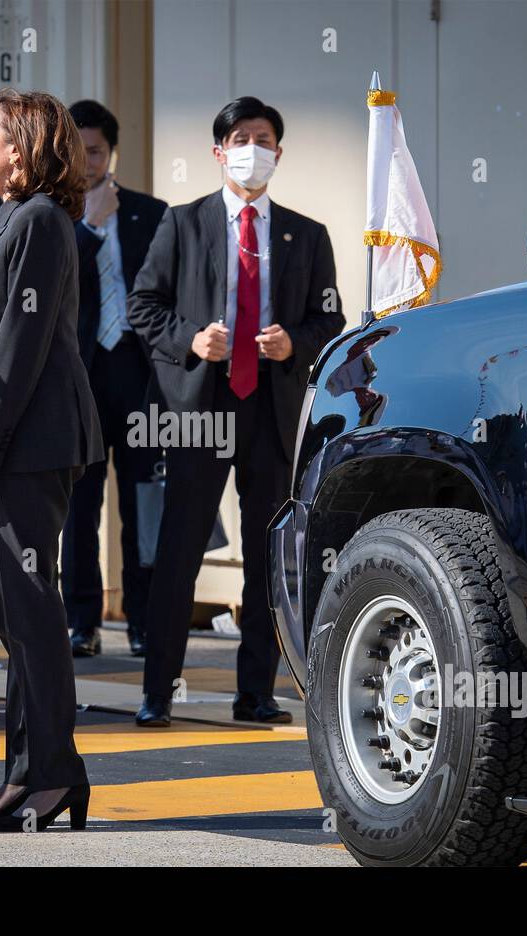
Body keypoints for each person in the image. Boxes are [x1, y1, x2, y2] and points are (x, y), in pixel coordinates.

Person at [127, 96, 344, 727]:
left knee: (267, 555)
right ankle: (157, 690)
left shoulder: (306, 234)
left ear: (279, 152)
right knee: (180, 550)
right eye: (242, 139)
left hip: (269, 408)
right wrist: (191, 338)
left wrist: (295, 344)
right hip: (200, 404)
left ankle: (256, 691)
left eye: (266, 139)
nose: (255, 150)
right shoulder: (183, 223)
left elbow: (329, 317)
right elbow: (144, 305)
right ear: (219, 151)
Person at [0, 88, 104, 832]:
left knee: (35, 615)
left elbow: (21, 344)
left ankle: (56, 775)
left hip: (30, 446)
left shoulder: (42, 221)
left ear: (23, 147)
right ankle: (22, 777)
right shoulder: (8, 217)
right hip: (10, 443)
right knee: (15, 615)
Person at [61, 99, 167, 659]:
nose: (86, 164)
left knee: (144, 502)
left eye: (96, 152)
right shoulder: (53, 217)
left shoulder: (153, 215)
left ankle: (144, 620)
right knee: (78, 504)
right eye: (77, 153)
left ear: (113, 152)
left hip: (138, 376)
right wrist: (90, 226)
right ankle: (82, 620)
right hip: (78, 376)